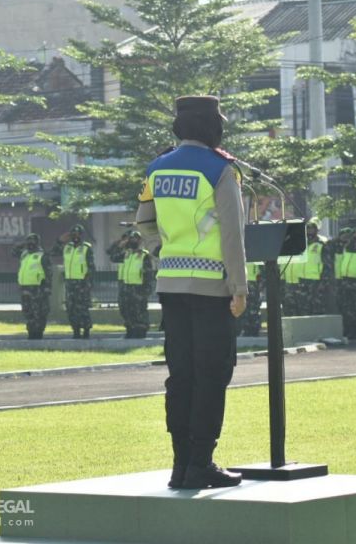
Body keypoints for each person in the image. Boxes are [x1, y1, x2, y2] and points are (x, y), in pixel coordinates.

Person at [136, 94, 246, 490]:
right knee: (212, 374)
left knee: (180, 376)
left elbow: (144, 223)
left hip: (171, 287)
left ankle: (181, 464)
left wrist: (162, 252)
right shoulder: (221, 170)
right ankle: (201, 462)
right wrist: (240, 288)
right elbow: (233, 235)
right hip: (214, 290)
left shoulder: (157, 169)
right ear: (211, 126)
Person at [50, 225, 95, 339]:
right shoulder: (67, 247)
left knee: (82, 308)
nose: (75, 236)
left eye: (77, 234)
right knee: (71, 308)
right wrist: (60, 241)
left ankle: (86, 330)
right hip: (70, 283)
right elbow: (53, 252)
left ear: (81, 235)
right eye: (73, 234)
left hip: (82, 283)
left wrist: (88, 284)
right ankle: (76, 330)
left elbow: (91, 268)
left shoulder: (86, 248)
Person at [108, 230, 155, 338]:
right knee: (126, 309)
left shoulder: (144, 255)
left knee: (139, 311)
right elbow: (113, 257)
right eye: (131, 239)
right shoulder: (126, 254)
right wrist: (120, 245)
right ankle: (130, 329)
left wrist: (145, 291)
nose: (133, 241)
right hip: (126, 287)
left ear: (139, 241)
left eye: (135, 239)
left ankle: (141, 331)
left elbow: (148, 274)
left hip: (138, 287)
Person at [12, 233, 52, 340]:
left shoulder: (42, 255)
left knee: (38, 312)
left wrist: (47, 287)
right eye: (28, 242)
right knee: (28, 312)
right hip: (25, 288)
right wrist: (22, 244)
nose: (30, 244)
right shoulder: (24, 254)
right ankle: (31, 333)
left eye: (32, 242)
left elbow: (49, 272)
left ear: (37, 243)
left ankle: (38, 334)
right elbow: (13, 252)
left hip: (38, 289)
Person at [297, 218, 333, 316]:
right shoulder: (301, 243)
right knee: (303, 308)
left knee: (317, 308)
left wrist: (323, 282)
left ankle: (318, 331)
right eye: (307, 228)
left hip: (316, 281)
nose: (309, 231)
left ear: (316, 230)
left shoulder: (322, 244)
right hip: (303, 280)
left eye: (312, 228)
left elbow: (327, 265)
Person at [237, 261, 264, 336]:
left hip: (253, 283)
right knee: (244, 308)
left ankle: (254, 330)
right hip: (243, 282)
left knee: (254, 309)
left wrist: (260, 285)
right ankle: (246, 330)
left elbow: (262, 271)